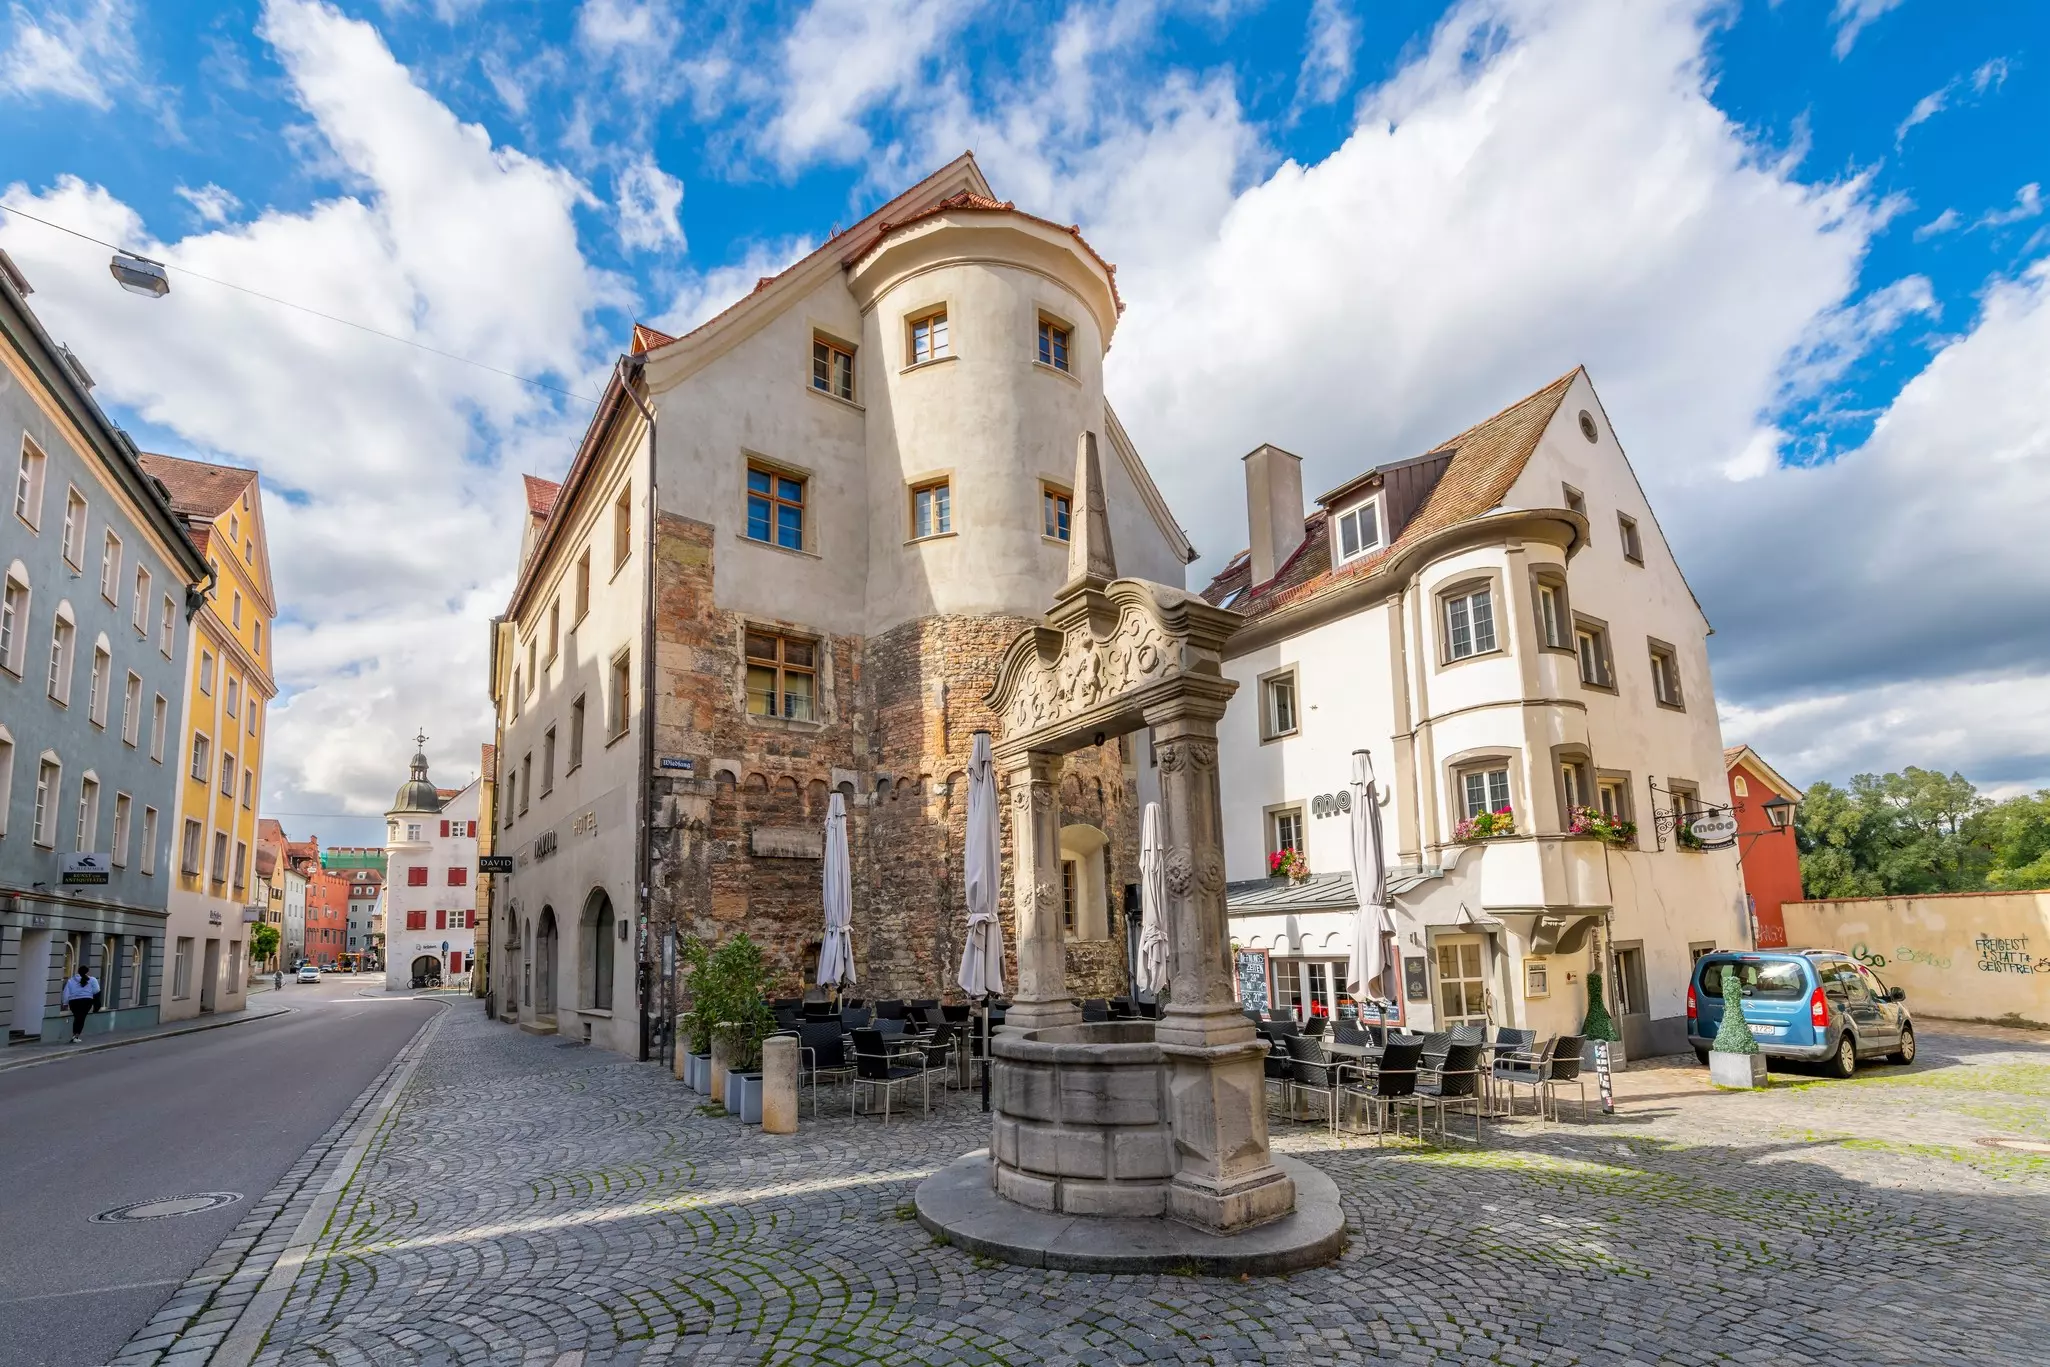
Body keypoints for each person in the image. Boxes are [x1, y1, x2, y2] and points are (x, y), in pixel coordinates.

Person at [60, 966, 100, 1043]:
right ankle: (76, 1036)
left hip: (73, 1001)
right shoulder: (92, 980)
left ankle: (74, 1035)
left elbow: (66, 992)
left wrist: (65, 1003)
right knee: (81, 1018)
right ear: (87, 972)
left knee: (77, 1017)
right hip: (86, 1000)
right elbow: (96, 990)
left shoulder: (71, 980)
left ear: (78, 971)